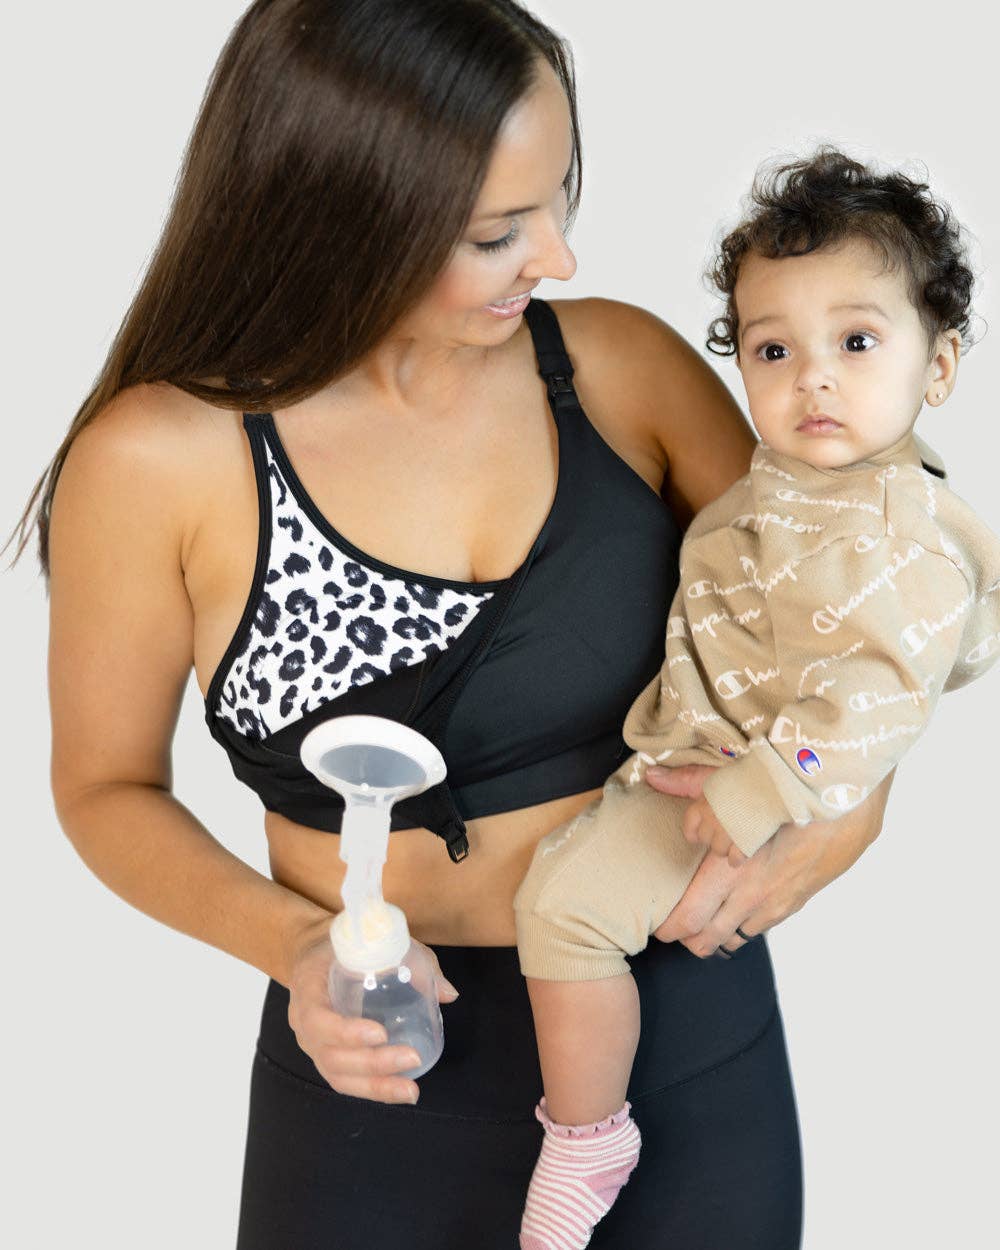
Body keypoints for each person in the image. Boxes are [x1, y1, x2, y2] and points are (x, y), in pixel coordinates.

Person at [12, 4, 894, 1247]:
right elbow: (104, 786)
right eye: (497, 232)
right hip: (381, 1077)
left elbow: (853, 592)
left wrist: (853, 803)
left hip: (682, 1046)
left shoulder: (616, 371)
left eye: (555, 203)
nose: (558, 259)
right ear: (341, 216)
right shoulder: (161, 461)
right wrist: (299, 948)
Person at [512, 148, 1000, 1249]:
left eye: (857, 341)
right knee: (566, 897)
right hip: (705, 754)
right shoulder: (800, 484)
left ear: (940, 365)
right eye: (774, 348)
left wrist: (763, 791)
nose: (812, 376)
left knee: (563, 908)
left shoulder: (898, 533)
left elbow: (882, 700)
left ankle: (585, 1133)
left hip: (744, 786)